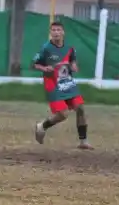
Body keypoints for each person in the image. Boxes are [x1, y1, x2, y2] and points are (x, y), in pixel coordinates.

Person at [32, 21, 93, 150]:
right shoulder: (46, 48)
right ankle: (42, 126)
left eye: (58, 30)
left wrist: (74, 66)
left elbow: (72, 61)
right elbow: (34, 64)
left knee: (80, 108)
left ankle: (83, 141)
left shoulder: (70, 48)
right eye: (53, 30)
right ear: (50, 33)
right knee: (62, 114)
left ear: (63, 32)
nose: (56, 33)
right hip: (53, 84)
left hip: (67, 82)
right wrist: (44, 68)